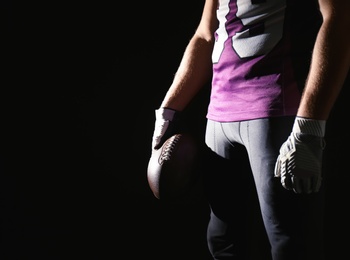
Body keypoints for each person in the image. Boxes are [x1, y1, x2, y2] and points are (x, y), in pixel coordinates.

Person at [150, 0, 350, 259]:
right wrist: (168, 109)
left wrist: (310, 125)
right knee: (224, 244)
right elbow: (206, 32)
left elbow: (339, 17)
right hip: (219, 115)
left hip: (275, 108)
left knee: (290, 244)